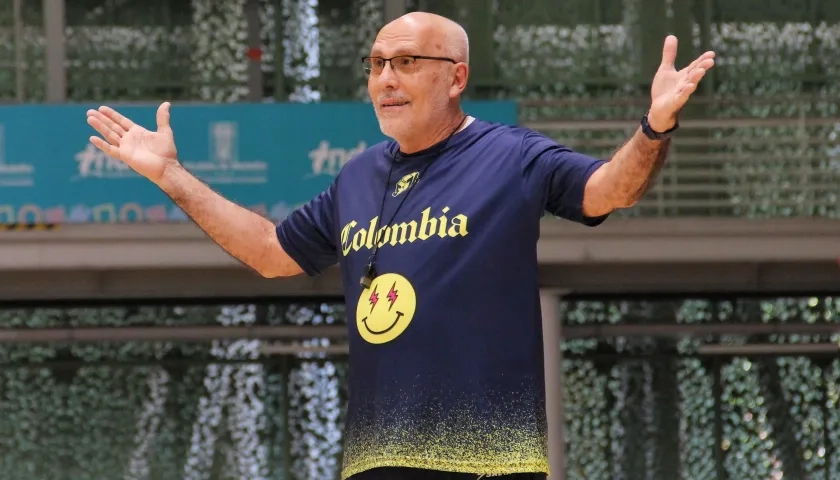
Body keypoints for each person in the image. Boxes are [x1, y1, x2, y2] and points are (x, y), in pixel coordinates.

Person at [86, 11, 714, 480]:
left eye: (407, 62)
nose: (386, 78)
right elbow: (271, 251)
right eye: (377, 63)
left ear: (456, 77)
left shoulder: (512, 156)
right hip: (375, 459)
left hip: (488, 459)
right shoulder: (357, 176)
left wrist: (654, 125)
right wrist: (169, 174)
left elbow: (610, 190)